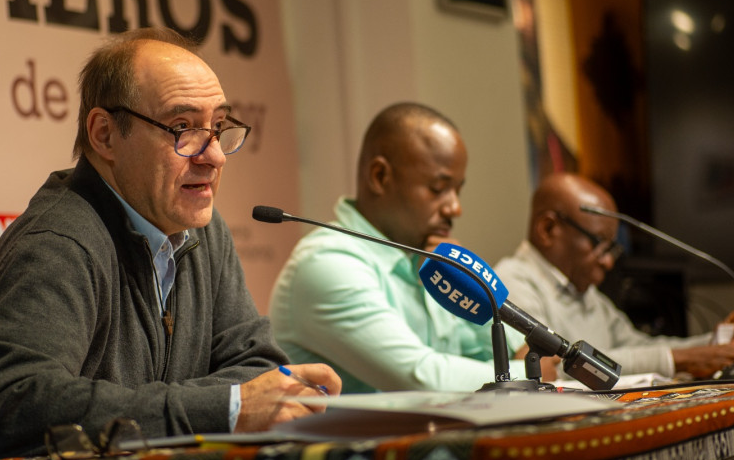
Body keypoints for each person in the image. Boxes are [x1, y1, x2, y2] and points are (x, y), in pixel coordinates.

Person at [0, 27, 340, 460]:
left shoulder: (203, 231)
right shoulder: (56, 244)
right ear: (105, 135)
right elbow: (12, 408)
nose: (214, 156)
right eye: (182, 128)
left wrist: (223, 405)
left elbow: (259, 368)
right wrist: (224, 407)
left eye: (218, 127)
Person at [268, 102, 555, 393]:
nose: (455, 208)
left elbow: (498, 355)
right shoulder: (327, 263)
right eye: (438, 188)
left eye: (458, 190)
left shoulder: (425, 259)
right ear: (380, 177)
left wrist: (465, 282)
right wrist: (528, 373)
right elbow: (423, 379)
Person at [494, 172, 734, 380]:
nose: (609, 262)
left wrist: (715, 343)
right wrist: (677, 360)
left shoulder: (587, 294)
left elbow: (640, 347)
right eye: (599, 244)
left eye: (612, 248)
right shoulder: (510, 282)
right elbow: (552, 366)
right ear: (548, 229)